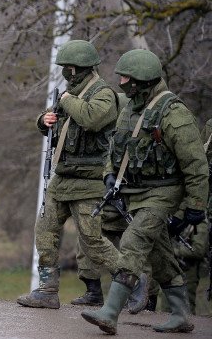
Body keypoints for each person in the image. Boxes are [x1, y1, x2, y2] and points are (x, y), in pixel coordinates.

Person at [81, 49, 208, 334]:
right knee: (161, 257)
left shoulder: (174, 113)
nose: (121, 82)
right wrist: (110, 174)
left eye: (126, 77)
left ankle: (110, 313)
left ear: (141, 80)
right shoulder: (132, 108)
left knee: (134, 242)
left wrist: (196, 204)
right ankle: (180, 315)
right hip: (135, 192)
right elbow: (115, 148)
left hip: (164, 192)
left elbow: (195, 163)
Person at [17, 40, 122, 309]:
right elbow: (55, 119)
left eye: (68, 67)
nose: (65, 72)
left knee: (92, 239)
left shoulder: (103, 94)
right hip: (63, 175)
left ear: (78, 68)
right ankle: (47, 289)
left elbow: (91, 118)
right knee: (45, 231)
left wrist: (66, 99)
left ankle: (133, 277)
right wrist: (44, 120)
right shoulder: (70, 93)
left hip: (89, 179)